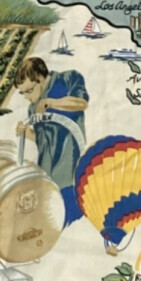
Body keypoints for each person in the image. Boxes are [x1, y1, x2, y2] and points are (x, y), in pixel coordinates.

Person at [15, 55, 89, 222]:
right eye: (22, 93)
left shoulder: (68, 79)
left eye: (29, 91)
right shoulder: (33, 108)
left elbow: (82, 103)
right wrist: (26, 133)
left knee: (71, 223)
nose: (26, 97)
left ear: (40, 78)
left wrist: (51, 103)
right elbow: (41, 140)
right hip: (46, 181)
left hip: (70, 178)